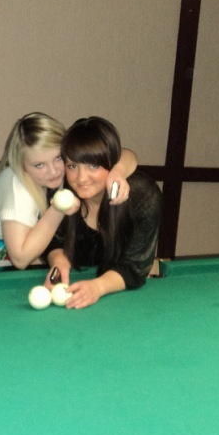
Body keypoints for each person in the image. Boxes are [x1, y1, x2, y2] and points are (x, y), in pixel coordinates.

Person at [0, 112, 136, 271]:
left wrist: (117, 171)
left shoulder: (69, 168)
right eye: (39, 165)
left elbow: (126, 154)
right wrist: (58, 209)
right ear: (21, 164)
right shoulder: (17, 189)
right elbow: (21, 259)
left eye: (58, 158)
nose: (53, 171)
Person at [44, 116, 162, 309]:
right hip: (72, 290)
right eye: (72, 166)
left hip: (123, 304)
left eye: (93, 165)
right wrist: (59, 262)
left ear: (113, 164)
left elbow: (135, 266)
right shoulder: (60, 191)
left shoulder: (143, 196)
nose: (81, 178)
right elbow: (54, 242)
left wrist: (98, 287)